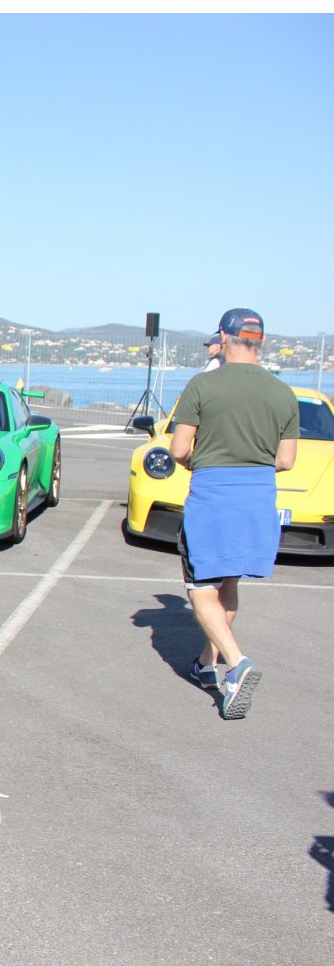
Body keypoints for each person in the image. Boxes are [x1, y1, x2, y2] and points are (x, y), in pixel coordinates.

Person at [170, 308, 298, 721]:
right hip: (259, 497)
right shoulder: (283, 393)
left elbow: (178, 450)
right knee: (227, 580)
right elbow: (286, 459)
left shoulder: (203, 385)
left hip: (213, 497)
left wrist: (203, 460)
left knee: (199, 588)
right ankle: (207, 663)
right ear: (259, 341)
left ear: (224, 339)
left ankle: (237, 663)